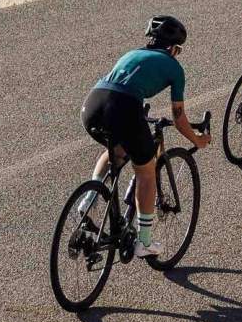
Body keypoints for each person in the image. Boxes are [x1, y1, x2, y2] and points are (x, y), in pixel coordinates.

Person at [79, 15, 209, 259]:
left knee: (116, 151)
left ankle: (89, 200)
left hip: (93, 104)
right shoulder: (174, 67)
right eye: (179, 50)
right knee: (146, 172)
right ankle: (144, 243)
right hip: (124, 106)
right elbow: (179, 118)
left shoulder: (131, 54)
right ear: (173, 47)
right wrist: (197, 140)